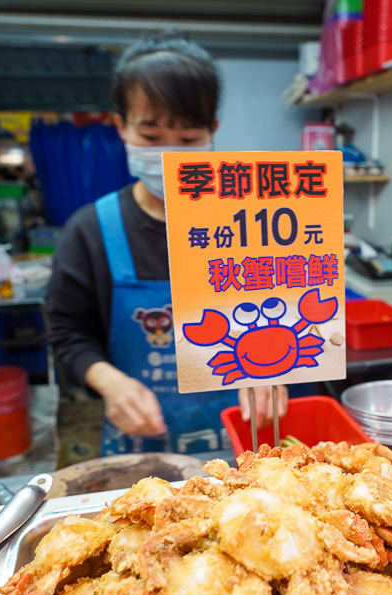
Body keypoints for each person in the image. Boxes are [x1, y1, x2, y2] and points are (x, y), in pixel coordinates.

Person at [48, 33, 287, 456]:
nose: (169, 156)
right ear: (121, 127)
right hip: (141, 445)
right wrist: (110, 383)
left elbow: (283, 310)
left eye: (189, 139)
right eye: (152, 137)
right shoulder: (91, 230)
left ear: (212, 132)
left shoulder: (256, 219)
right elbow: (68, 334)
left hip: (246, 438)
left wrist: (278, 366)